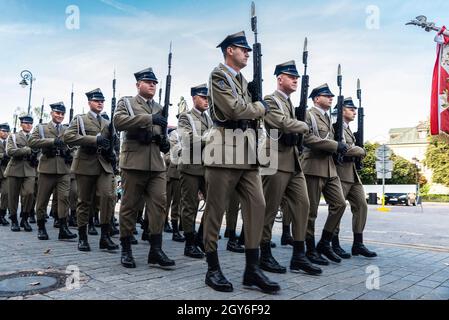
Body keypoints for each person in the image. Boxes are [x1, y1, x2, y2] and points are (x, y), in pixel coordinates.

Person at [202, 31, 279, 293]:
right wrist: (260, 106)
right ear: (229, 51)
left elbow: (248, 113)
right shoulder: (218, 75)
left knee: (257, 206)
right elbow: (233, 110)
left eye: (248, 50)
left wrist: (253, 102)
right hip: (223, 150)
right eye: (242, 49)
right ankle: (212, 269)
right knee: (216, 211)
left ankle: (252, 269)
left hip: (247, 153)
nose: (246, 54)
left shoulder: (243, 81)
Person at [260, 61, 322, 275]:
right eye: (291, 76)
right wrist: (304, 125)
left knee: (302, 205)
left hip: (293, 161)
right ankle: (264, 254)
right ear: (279, 79)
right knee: (268, 210)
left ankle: (299, 255)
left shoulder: (291, 104)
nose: (295, 80)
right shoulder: (270, 99)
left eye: (297, 77)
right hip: (275, 159)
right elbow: (279, 122)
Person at [113, 68, 174, 269]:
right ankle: (126, 249)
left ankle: (155, 250)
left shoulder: (159, 107)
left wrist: (164, 142)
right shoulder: (127, 102)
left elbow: (161, 133)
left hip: (156, 164)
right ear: (138, 84)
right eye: (148, 82)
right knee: (130, 206)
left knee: (159, 205)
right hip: (133, 163)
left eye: (154, 83)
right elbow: (118, 122)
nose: (152, 85)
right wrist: (149, 119)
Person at [63, 89, 118, 252]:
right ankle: (82, 237)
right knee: (84, 201)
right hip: (85, 164)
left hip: (104, 165)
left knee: (108, 197)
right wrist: (95, 140)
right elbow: (68, 137)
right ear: (89, 103)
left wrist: (113, 154)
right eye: (96, 101)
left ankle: (105, 237)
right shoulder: (80, 119)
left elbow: (114, 143)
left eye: (102, 101)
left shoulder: (108, 123)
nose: (100, 103)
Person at [302, 84, 348, 265]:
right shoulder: (308, 115)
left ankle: (324, 243)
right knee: (310, 212)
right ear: (315, 98)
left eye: (331, 96)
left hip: (330, 168)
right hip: (312, 166)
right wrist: (335, 146)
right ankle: (310, 249)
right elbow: (307, 138)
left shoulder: (329, 118)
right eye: (326, 95)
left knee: (340, 204)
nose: (330, 98)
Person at [329, 97, 377, 258]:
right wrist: (360, 150)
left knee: (362, 205)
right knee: (338, 208)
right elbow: (343, 149)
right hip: (340, 174)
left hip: (352, 175)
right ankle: (334, 243)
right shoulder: (336, 127)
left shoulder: (348, 129)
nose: (354, 112)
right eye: (351, 109)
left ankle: (358, 243)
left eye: (355, 109)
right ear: (342, 110)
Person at [29, 102, 77, 241]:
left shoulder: (67, 129)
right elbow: (32, 142)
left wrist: (70, 153)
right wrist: (52, 142)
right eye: (57, 113)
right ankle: (41, 228)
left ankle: (63, 228)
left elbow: (74, 145)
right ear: (52, 113)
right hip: (47, 169)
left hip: (63, 169)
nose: (60, 116)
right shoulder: (42, 128)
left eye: (62, 114)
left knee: (64, 198)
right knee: (42, 200)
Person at [178, 84, 213, 259]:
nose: (207, 100)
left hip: (207, 168)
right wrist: (209, 138)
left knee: (214, 204)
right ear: (194, 98)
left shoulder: (210, 119)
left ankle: (201, 237)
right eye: (203, 97)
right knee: (190, 206)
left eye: (208, 98)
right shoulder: (186, 117)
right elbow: (187, 139)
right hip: (190, 167)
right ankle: (189, 243)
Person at [5, 115, 38, 232]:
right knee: (13, 196)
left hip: (30, 168)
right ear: (21, 124)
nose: (29, 125)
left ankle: (24, 218)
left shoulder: (35, 137)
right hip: (15, 169)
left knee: (30, 193)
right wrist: (27, 150)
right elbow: (10, 151)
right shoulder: (13, 137)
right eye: (26, 123)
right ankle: (14, 220)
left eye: (30, 123)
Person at [0, 123, 11, 226]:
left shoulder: (10, 142)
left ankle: (2, 215)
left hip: (5, 172)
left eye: (7, 131)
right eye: (3, 131)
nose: (5, 133)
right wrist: (3, 155)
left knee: (6, 193)